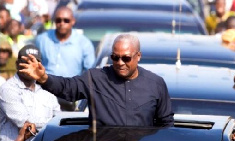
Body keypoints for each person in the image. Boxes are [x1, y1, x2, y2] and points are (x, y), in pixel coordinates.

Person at [19, 34, 174, 127]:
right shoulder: (96, 78)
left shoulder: (156, 84)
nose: (120, 62)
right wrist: (43, 78)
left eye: (126, 58)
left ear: (138, 56)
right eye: (115, 57)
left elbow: (166, 124)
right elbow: (68, 88)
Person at [0, 44, 60, 141]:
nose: (28, 65)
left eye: (33, 62)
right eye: (25, 61)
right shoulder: (7, 89)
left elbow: (59, 118)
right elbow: (26, 124)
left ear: (40, 66)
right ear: (17, 63)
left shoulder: (47, 91)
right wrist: (53, 125)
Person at [35, 6, 95, 111]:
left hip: (70, 96)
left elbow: (89, 73)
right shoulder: (42, 39)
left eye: (66, 20)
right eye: (58, 20)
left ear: (73, 21)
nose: (62, 23)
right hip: (43, 94)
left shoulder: (84, 43)